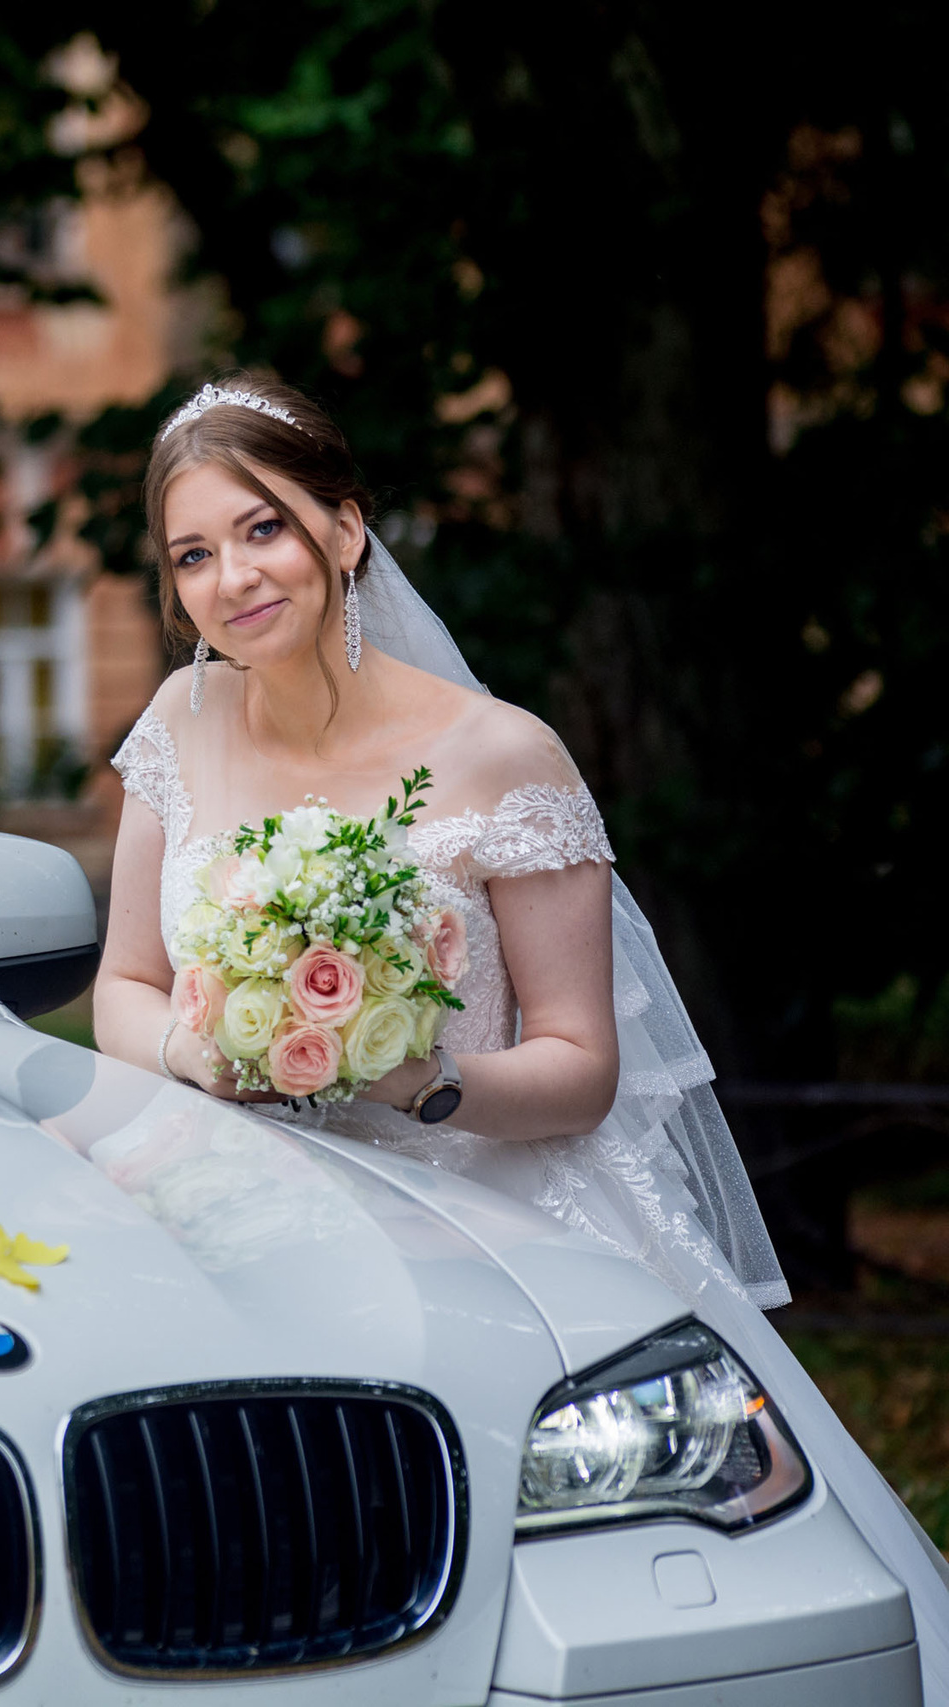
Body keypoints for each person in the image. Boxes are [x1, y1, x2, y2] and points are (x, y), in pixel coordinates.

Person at [91, 372, 949, 1696]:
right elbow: (124, 987)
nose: (231, 579)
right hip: (238, 1189)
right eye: (192, 553)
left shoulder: (505, 758)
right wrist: (200, 1053)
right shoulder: (179, 723)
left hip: (491, 1204)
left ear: (345, 529)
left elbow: (581, 1069)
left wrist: (425, 1086)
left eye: (262, 529)